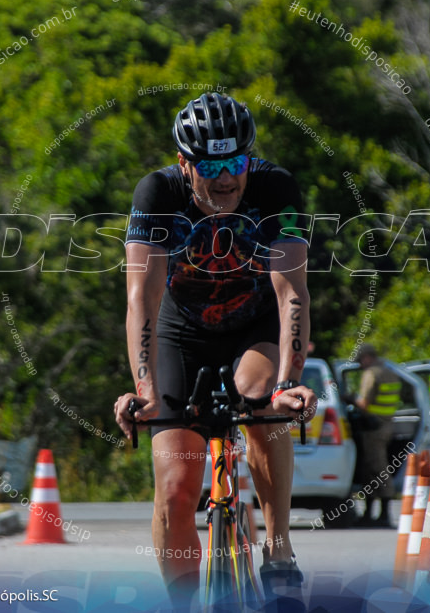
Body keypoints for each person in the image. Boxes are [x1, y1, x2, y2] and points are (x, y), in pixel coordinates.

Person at [113, 93, 318, 608]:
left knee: (261, 399)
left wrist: (290, 382)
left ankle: (278, 552)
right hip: (181, 331)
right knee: (177, 489)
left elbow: (292, 292)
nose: (226, 178)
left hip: (255, 326)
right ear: (185, 163)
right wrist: (145, 392)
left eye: (235, 163)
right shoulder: (157, 192)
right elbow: (142, 298)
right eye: (211, 166)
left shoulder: (275, 187)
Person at [353, 343, 399, 527]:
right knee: (373, 470)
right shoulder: (390, 372)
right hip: (386, 425)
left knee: (377, 470)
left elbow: (364, 404)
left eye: (361, 361)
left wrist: (349, 399)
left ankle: (382, 515)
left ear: (367, 357)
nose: (361, 365)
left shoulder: (371, 374)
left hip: (373, 428)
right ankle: (373, 514)